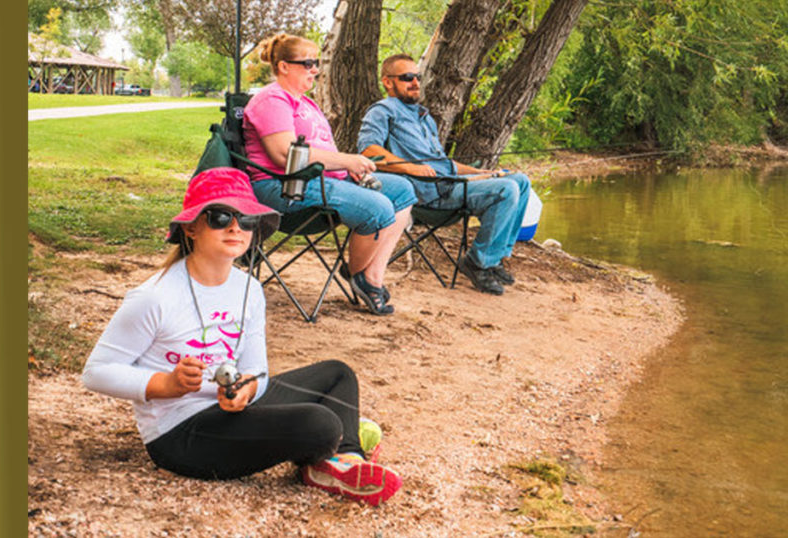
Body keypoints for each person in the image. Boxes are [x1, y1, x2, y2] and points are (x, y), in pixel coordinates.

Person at [82, 167, 402, 506]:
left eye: (247, 219)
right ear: (191, 227)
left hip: (228, 410)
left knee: (338, 374)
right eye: (221, 217)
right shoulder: (154, 296)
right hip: (181, 434)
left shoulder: (249, 288)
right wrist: (166, 385)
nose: (236, 227)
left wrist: (248, 389)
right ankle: (334, 443)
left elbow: (256, 370)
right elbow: (97, 372)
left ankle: (342, 461)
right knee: (320, 422)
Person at [243, 34, 417, 315]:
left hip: (319, 181)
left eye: (317, 63)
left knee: (402, 189)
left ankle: (368, 275)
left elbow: (323, 151)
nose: (315, 69)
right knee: (377, 207)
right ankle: (364, 278)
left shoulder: (307, 103)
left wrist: (350, 168)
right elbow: (284, 155)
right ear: (284, 66)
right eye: (308, 63)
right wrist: (346, 161)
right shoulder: (272, 99)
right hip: (283, 187)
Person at [357, 54, 532, 296]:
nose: (416, 82)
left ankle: (496, 257)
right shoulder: (382, 111)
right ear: (388, 82)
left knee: (520, 181)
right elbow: (368, 150)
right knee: (506, 190)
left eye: (417, 77)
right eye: (407, 78)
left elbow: (443, 163)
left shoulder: (424, 117)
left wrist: (482, 173)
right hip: (428, 194)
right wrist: (411, 167)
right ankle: (478, 262)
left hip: (450, 184)